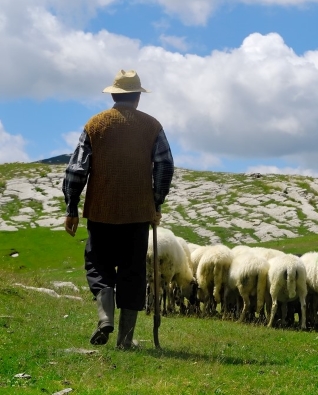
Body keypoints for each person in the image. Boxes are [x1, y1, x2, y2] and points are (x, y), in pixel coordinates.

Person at [62, 69, 174, 349]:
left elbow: (77, 169)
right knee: (132, 271)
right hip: (137, 213)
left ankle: (105, 318)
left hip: (101, 211)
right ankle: (125, 339)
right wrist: (155, 202)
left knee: (98, 265)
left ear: (113, 94)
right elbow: (164, 165)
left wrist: (72, 208)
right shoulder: (152, 126)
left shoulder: (95, 125)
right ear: (137, 97)